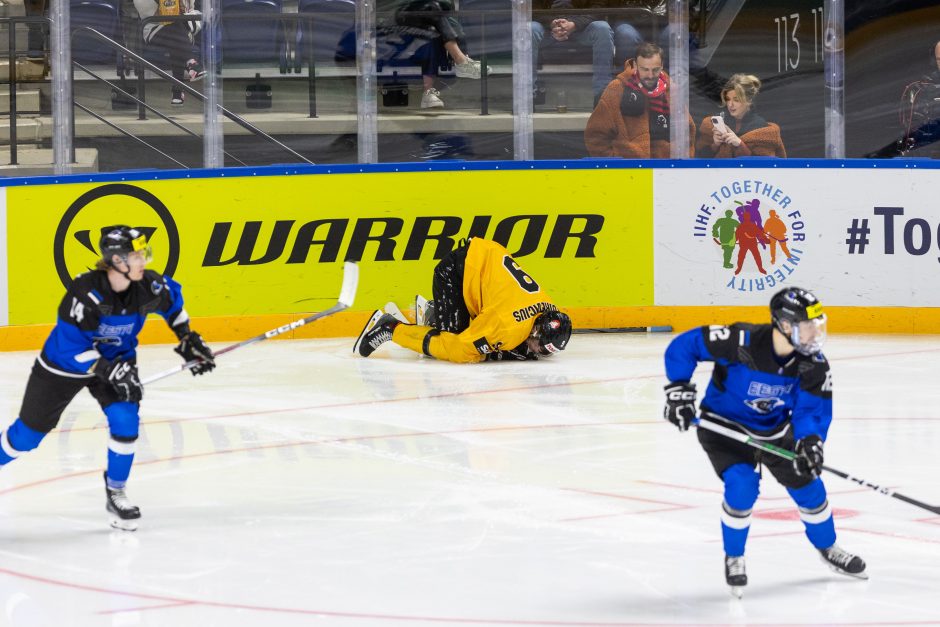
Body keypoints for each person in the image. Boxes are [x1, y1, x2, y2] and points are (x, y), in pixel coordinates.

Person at [0, 226, 215, 531]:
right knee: (26, 437)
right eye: (136, 256)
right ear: (116, 261)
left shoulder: (149, 287)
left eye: (143, 254)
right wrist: (108, 369)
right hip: (63, 367)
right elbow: (71, 352)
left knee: (126, 421)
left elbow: (174, 307)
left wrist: (188, 338)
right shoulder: (85, 294)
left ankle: (116, 492)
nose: (143, 261)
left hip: (116, 361)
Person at [662, 287, 867, 597]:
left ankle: (828, 547)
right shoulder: (740, 341)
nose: (815, 333)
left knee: (810, 487)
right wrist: (678, 390)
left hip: (775, 432)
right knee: (742, 486)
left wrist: (810, 441)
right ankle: (735, 556)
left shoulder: (813, 365)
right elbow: (683, 347)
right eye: (807, 326)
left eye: (817, 325)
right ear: (784, 325)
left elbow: (811, 410)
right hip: (724, 429)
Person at [354, 237, 572, 363]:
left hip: (485, 259)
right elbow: (460, 349)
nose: (537, 352)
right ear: (535, 330)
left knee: (477, 337)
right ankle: (391, 327)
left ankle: (435, 313)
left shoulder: (549, 308)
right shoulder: (506, 327)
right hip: (455, 272)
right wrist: (492, 352)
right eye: (539, 347)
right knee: (457, 349)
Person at [584, 42, 695, 158]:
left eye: (655, 69)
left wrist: (679, 164)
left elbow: (688, 133)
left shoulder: (672, 90)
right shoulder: (617, 89)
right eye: (645, 69)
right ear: (636, 65)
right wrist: (615, 163)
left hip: (666, 169)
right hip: (627, 170)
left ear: (662, 65)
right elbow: (595, 136)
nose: (650, 75)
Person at [380, 0, 485, 109]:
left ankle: (429, 93)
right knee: (434, 9)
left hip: (428, 19)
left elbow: (448, 6)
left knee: (434, 27)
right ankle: (461, 61)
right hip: (398, 15)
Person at [531, 0, 617, 106]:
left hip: (582, 28)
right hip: (548, 28)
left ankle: (602, 96)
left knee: (602, 28)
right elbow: (532, 7)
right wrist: (552, 23)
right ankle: (528, 95)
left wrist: (574, 24)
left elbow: (598, 7)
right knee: (530, 29)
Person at [695, 74, 786, 158]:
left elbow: (764, 165)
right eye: (728, 99)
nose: (730, 104)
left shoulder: (760, 127)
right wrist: (715, 145)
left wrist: (739, 144)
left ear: (748, 101)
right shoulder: (714, 124)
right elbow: (699, 158)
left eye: (736, 100)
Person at [134, 0, 204, 106]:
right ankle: (190, 63)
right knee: (175, 32)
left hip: (182, 28)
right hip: (155, 29)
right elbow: (146, 14)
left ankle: (178, 91)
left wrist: (182, 8)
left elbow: (191, 9)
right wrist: (163, 8)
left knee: (175, 29)